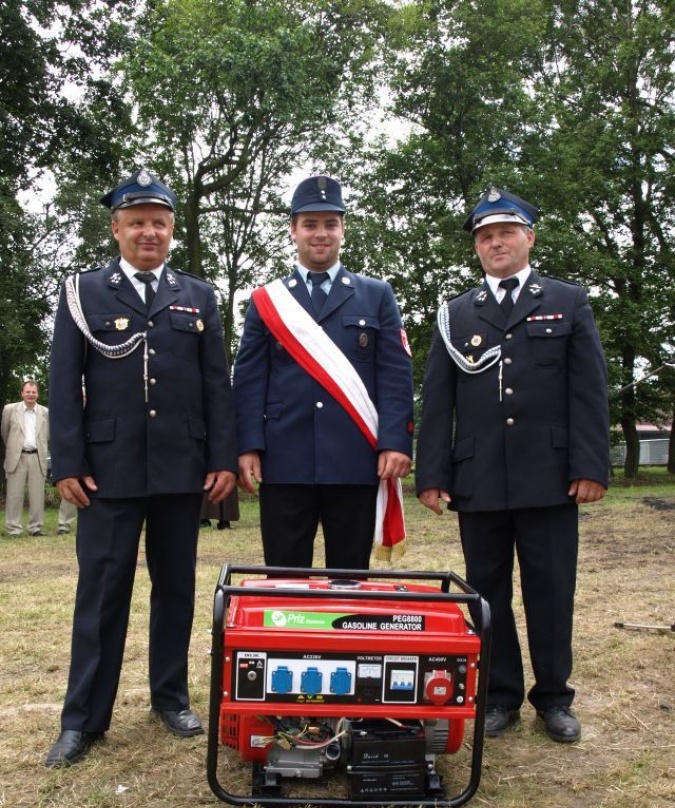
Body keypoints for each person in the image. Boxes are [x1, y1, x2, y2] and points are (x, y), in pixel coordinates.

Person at [44, 168, 238, 768]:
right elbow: (63, 379)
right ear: (116, 228)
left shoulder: (199, 295)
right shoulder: (82, 291)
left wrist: (222, 459)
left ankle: (171, 697)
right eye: (136, 223)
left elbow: (216, 384)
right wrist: (67, 462)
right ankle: (83, 720)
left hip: (183, 469)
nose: (147, 232)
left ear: (172, 229)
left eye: (158, 222)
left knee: (176, 588)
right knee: (101, 593)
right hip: (107, 469)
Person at [415, 187, 610, 743]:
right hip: (479, 480)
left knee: (551, 589)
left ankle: (554, 697)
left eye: (505, 232)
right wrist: (432, 475)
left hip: (549, 477)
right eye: (484, 236)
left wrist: (590, 464)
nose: (495, 242)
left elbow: (589, 392)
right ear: (476, 247)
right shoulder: (456, 313)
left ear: (529, 236)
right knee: (486, 593)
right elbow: (438, 400)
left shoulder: (567, 301)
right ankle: (499, 695)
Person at [233, 175, 414, 568]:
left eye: (330, 224)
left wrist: (396, 441)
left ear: (342, 230)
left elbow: (395, 375)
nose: (321, 234)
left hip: (353, 458)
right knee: (284, 581)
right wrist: (247, 445)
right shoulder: (267, 301)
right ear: (293, 230)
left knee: (349, 582)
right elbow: (248, 380)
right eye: (310, 224)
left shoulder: (376, 294)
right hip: (284, 460)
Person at [2, 379, 49, 536]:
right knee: (14, 495)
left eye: (33, 392)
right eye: (27, 392)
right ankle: (13, 528)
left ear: (38, 394)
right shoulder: (10, 410)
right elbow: (5, 433)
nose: (30, 394)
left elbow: (47, 435)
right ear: (21, 393)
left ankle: (35, 528)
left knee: (37, 495)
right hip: (17, 457)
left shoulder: (45, 412)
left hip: (37, 457)